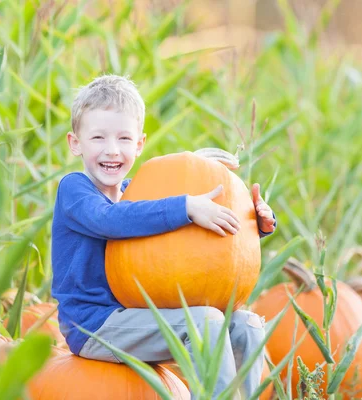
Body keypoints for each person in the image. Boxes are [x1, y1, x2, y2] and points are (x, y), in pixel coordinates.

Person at [51, 74, 277, 399]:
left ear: (139, 144)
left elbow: (186, 246)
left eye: (124, 139)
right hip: (93, 326)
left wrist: (252, 221)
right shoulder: (74, 189)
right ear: (76, 143)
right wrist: (186, 204)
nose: (112, 150)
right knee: (205, 323)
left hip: (139, 315)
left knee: (245, 324)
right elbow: (110, 220)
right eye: (98, 138)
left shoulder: (137, 193)